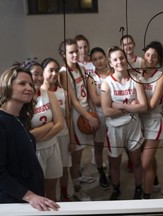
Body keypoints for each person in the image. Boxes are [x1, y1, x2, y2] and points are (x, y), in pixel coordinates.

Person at [0, 66, 59, 211]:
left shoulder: (20, 118)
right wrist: (29, 196)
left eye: (30, 84)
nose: (29, 87)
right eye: (22, 83)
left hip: (33, 196)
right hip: (16, 202)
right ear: (7, 86)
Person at [101, 46, 147, 200]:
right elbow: (107, 111)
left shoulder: (136, 80)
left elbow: (144, 106)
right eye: (115, 59)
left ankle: (138, 188)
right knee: (115, 163)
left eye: (121, 58)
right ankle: (116, 188)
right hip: (114, 129)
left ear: (126, 59)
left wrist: (122, 106)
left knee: (136, 162)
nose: (119, 61)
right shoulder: (107, 83)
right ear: (111, 63)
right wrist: (132, 108)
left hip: (133, 127)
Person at [58, 39, 100, 201]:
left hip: (85, 111)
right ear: (63, 54)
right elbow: (74, 101)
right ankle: (76, 188)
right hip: (75, 115)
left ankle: (77, 178)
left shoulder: (81, 68)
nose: (75, 54)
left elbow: (87, 94)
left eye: (76, 51)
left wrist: (93, 112)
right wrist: (88, 117)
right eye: (71, 52)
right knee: (75, 155)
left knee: (80, 151)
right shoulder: (63, 72)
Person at [25, 59, 64, 202]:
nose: (40, 78)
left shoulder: (48, 94)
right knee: (37, 191)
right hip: (35, 152)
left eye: (41, 74)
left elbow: (60, 124)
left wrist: (35, 135)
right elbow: (26, 134)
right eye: (36, 74)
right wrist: (49, 125)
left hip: (53, 146)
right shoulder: (23, 99)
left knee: (52, 188)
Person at [41, 58, 75, 201]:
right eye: (50, 70)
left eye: (56, 70)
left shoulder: (63, 93)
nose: (54, 73)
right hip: (46, 138)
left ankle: (64, 193)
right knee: (47, 171)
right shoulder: (38, 93)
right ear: (43, 72)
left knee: (64, 167)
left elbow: (68, 118)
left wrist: (72, 139)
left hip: (63, 135)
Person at [139, 41, 163, 199]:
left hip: (154, 121)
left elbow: (152, 104)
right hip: (139, 120)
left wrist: (131, 106)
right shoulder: (139, 73)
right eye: (148, 54)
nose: (150, 58)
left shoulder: (161, 76)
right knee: (148, 158)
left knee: (145, 163)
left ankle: (146, 196)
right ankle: (154, 181)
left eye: (154, 56)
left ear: (159, 59)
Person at [87, 47, 111, 189]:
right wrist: (110, 96)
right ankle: (101, 172)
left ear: (106, 57)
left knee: (114, 144)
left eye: (101, 57)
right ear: (92, 62)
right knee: (99, 145)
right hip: (100, 115)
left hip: (114, 113)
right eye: (95, 59)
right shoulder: (91, 77)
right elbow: (95, 100)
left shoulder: (113, 73)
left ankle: (112, 172)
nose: (99, 61)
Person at [120, 34, 144, 171]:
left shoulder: (140, 61)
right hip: (126, 100)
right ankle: (130, 158)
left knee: (138, 135)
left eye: (130, 43)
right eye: (124, 44)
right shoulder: (120, 61)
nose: (127, 46)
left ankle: (137, 159)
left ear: (134, 45)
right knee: (125, 136)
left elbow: (146, 78)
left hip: (138, 99)